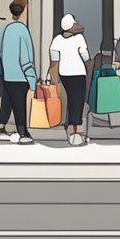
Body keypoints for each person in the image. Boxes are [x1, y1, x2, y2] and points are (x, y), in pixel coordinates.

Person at [0, 0, 37, 145]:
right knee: (19, 105)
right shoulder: (22, 30)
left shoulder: (7, 29)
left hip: (8, 74)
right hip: (20, 77)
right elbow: (26, 59)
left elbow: (2, 53)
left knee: (8, 101)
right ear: (24, 11)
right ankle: (23, 133)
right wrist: (32, 80)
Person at [48, 14, 92, 146]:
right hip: (78, 73)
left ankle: (69, 127)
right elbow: (85, 56)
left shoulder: (56, 40)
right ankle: (75, 131)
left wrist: (52, 77)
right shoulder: (79, 38)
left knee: (69, 100)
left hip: (64, 74)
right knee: (77, 101)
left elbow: (54, 60)